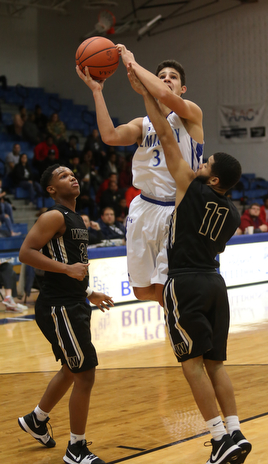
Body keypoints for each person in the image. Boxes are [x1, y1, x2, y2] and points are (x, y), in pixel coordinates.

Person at [127, 65, 251, 464]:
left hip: (187, 283)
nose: (199, 160)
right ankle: (236, 430)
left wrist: (146, 92)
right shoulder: (232, 215)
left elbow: (164, 133)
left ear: (211, 177)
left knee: (191, 363)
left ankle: (217, 436)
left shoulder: (189, 187)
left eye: (206, 161)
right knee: (217, 363)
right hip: (217, 283)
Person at [76, 45, 204, 306]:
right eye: (162, 76)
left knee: (168, 288)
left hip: (178, 206)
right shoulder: (141, 124)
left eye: (173, 77)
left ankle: (181, 330)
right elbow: (110, 136)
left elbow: (160, 94)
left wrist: (131, 62)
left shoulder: (190, 113)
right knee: (143, 291)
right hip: (145, 207)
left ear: (182, 89)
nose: (166, 79)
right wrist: (97, 92)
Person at [18, 163, 114, 464]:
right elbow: (26, 252)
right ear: (51, 189)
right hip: (59, 307)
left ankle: (37, 419)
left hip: (73, 302)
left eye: (72, 173)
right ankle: (76, 448)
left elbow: (74, 264)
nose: (71, 176)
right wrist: (67, 271)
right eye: (63, 176)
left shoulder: (75, 219)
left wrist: (88, 292)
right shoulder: (54, 216)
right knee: (84, 373)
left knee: (72, 369)